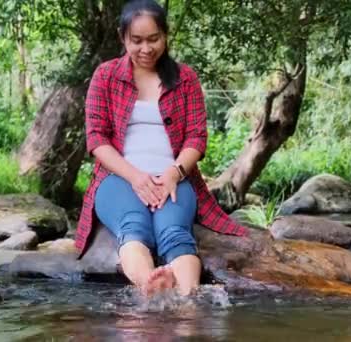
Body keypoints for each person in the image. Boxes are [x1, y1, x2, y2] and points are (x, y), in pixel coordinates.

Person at [75, 0, 247, 296]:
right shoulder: (105, 76)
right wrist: (135, 177)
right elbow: (96, 138)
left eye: (153, 39)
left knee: (175, 233)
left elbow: (196, 137)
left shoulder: (185, 79)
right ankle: (149, 285)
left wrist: (173, 173)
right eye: (136, 40)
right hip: (117, 178)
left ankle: (187, 299)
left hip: (174, 178)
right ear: (122, 38)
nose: (146, 48)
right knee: (133, 226)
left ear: (166, 36)